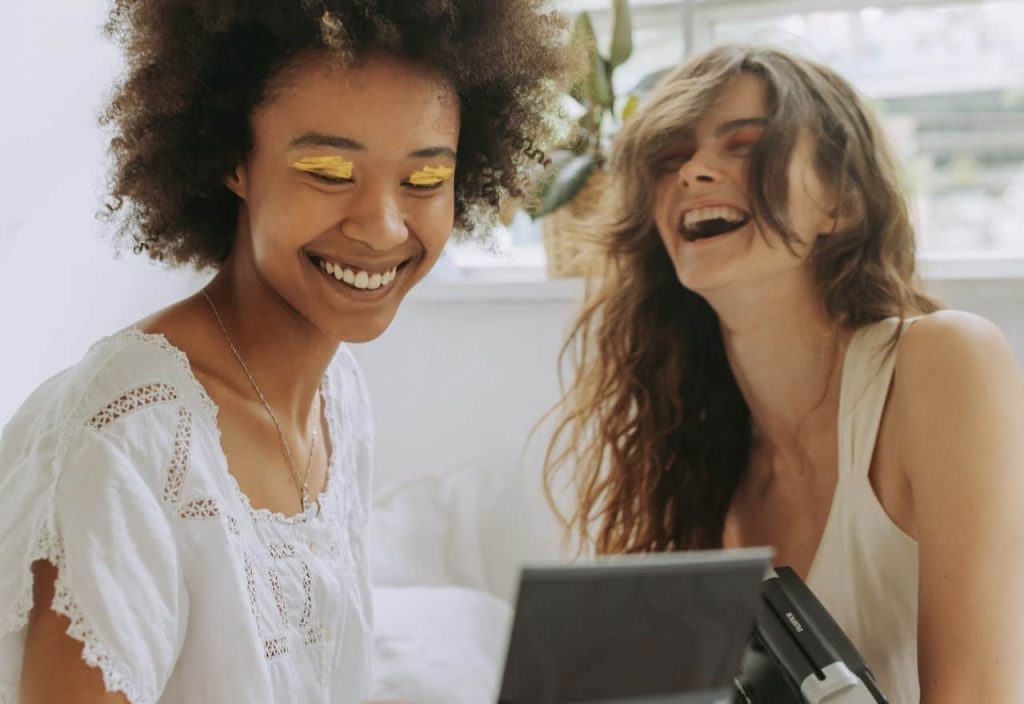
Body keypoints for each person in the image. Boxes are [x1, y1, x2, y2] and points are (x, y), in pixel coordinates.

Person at [0, 1, 569, 702]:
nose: (383, 227)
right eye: (330, 171)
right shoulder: (129, 439)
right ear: (233, 160)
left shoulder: (340, 396)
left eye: (424, 180)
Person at [543, 45, 1024, 703]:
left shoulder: (942, 365)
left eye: (743, 146)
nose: (694, 172)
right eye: (668, 158)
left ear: (840, 204)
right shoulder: (692, 470)